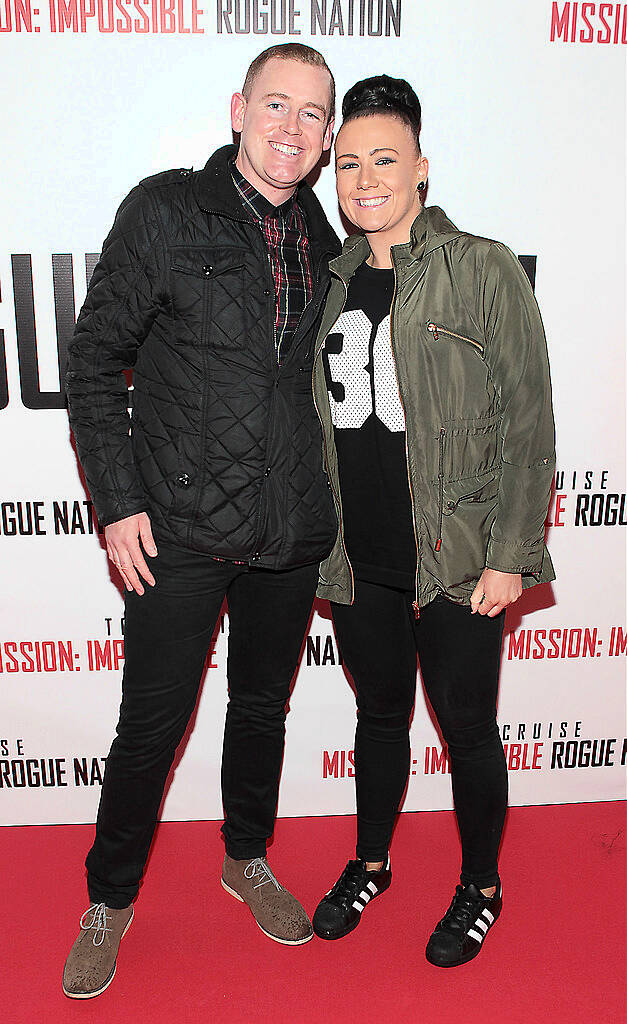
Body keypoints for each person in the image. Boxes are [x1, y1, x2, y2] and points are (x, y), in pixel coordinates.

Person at [62, 43, 339, 999]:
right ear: (236, 108)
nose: (291, 130)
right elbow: (94, 358)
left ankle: (244, 857)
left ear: (326, 134)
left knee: (262, 708)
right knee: (151, 723)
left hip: (287, 522)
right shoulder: (167, 209)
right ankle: (108, 900)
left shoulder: (323, 237)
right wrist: (118, 497)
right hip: (177, 523)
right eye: (275, 105)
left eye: (312, 114)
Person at [310, 76, 555, 967]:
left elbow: (528, 420)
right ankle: (370, 862)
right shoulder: (330, 281)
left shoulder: (481, 267)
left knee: (466, 726)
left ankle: (481, 885)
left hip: (456, 561)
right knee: (379, 718)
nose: (364, 178)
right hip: (360, 560)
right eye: (347, 163)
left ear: (421, 168)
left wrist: (509, 556)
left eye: (384, 159)